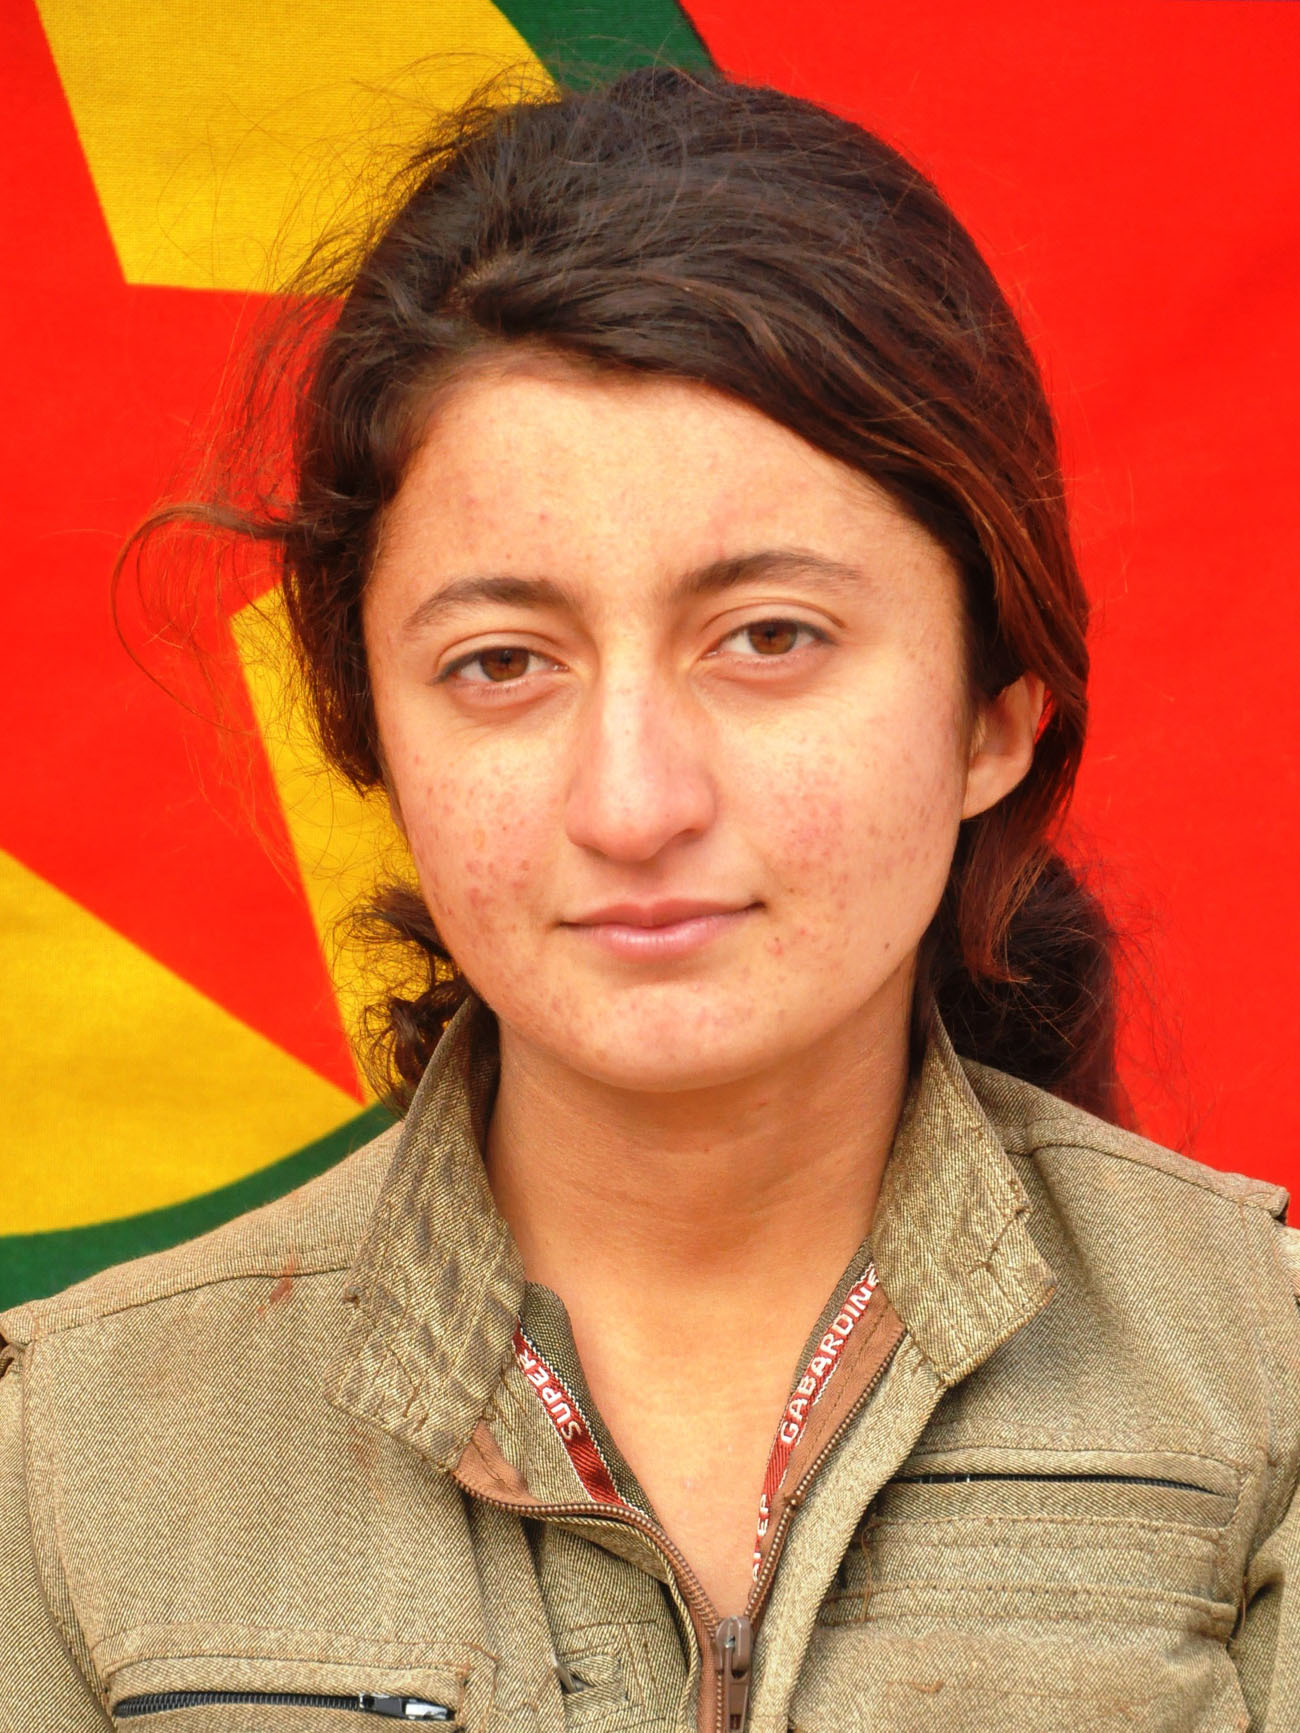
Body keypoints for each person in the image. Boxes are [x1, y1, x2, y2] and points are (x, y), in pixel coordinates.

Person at [3, 66, 1298, 1733]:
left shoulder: (1264, 1377)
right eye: (502, 662)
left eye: (769, 637)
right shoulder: (82, 1451)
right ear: (370, 730)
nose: (632, 802)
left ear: (996, 711)